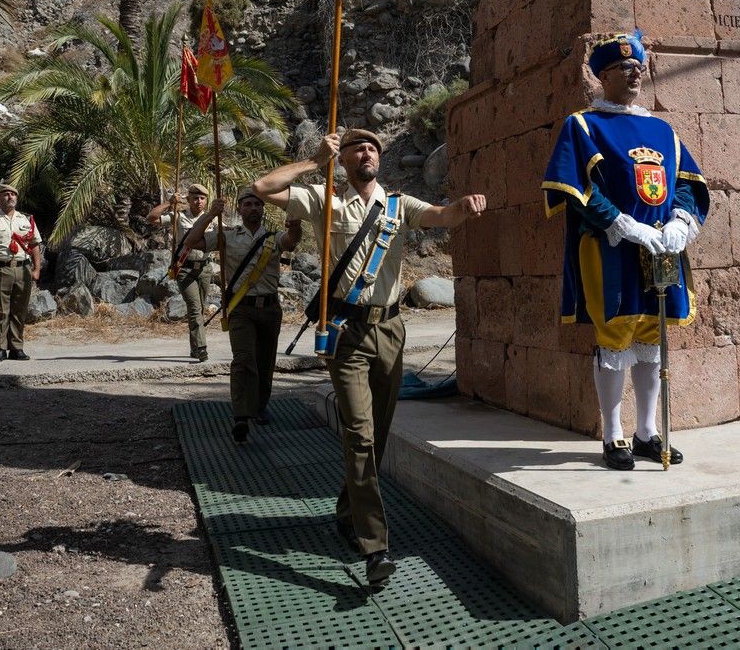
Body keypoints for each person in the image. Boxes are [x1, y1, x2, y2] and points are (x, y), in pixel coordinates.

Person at [251, 128, 486, 588]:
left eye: (373, 147)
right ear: (345, 160)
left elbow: (443, 215)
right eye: (358, 147)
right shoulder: (325, 201)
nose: (366, 152)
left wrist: (466, 206)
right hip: (345, 332)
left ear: (381, 157)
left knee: (376, 436)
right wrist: (314, 161)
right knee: (359, 435)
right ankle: (374, 546)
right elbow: (262, 188)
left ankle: (348, 508)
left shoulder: (400, 204)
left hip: (390, 331)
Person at [542, 30, 708, 471]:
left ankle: (647, 432)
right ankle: (613, 434)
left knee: (654, 335)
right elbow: (576, 188)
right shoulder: (583, 125)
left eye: (638, 68)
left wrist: (680, 221)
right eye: (623, 69)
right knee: (615, 335)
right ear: (603, 76)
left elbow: (687, 185)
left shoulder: (663, 129)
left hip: (661, 249)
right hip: (612, 246)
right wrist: (623, 223)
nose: (634, 75)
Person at [181, 189, 302, 443]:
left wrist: (295, 226)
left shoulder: (272, 237)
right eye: (247, 204)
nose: (253, 208)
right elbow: (191, 241)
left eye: (257, 204)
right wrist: (211, 214)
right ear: (240, 209)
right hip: (240, 308)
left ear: (263, 209)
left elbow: (291, 242)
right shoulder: (227, 236)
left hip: (269, 308)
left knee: (265, 360)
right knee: (243, 359)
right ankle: (241, 416)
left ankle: (259, 405)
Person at [0, 183, 42, 362]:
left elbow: (34, 244)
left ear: (17, 198)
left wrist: (36, 268)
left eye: (13, 194)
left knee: (20, 310)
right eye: (6, 194)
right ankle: (0, 348)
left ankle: (17, 348)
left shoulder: (26, 220)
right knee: (1, 311)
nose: (10, 197)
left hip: (22, 269)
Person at [147, 183, 212, 362]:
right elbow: (151, 218)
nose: (199, 201)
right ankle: (201, 348)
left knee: (200, 309)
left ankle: (194, 347)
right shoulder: (179, 216)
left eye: (202, 198)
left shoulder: (211, 218)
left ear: (206, 201)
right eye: (195, 198)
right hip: (184, 268)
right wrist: (169, 203)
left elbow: (227, 234)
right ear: (188, 200)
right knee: (194, 308)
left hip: (205, 269)